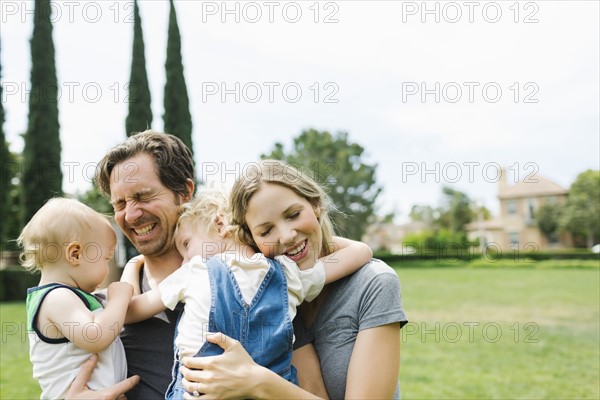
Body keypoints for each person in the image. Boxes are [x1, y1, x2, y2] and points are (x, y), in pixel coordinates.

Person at [179, 160, 408, 399]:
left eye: (294, 214)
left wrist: (259, 382)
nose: (287, 236)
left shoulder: (374, 284)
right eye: (266, 231)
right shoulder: (264, 295)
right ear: (251, 240)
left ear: (316, 204)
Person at [124, 185, 372, 398]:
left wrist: (133, 265)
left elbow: (131, 310)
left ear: (220, 223)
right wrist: (300, 233)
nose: (183, 260)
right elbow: (360, 251)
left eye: (186, 245)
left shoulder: (195, 270)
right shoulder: (287, 274)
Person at [93, 130, 196, 399]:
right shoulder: (99, 314)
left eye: (143, 196)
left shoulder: (243, 283)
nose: (131, 214)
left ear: (185, 192)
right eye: (120, 203)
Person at [17, 198, 134, 399]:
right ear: (75, 253)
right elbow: (94, 336)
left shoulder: (76, 298)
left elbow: (133, 307)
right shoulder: (56, 298)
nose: (107, 269)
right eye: (105, 259)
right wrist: (118, 299)